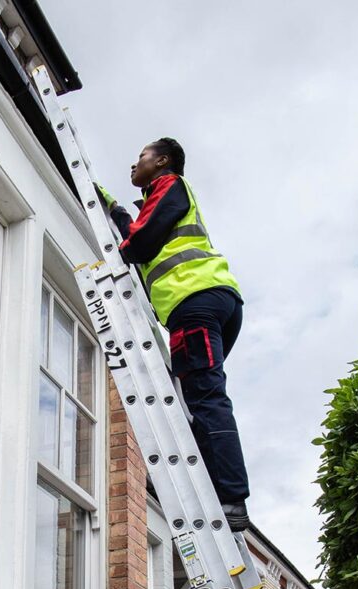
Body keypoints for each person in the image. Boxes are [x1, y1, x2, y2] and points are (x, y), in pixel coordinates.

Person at [96, 138, 251, 530]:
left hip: (194, 302)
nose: (134, 164)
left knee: (207, 396)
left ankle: (231, 500)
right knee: (198, 398)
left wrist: (124, 238)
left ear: (162, 161)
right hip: (211, 301)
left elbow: (140, 244)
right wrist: (114, 210)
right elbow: (143, 233)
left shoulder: (171, 185)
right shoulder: (158, 200)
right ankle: (215, 487)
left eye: (141, 157)